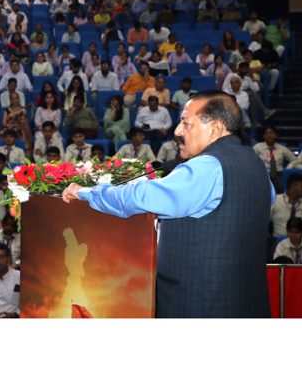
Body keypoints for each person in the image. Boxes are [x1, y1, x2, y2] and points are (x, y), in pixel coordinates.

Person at [63, 92, 274, 317]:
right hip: (247, 302)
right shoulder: (256, 164)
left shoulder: (206, 168)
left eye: (186, 123)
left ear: (214, 128)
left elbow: (139, 197)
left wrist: (85, 192)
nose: (177, 132)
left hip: (198, 304)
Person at [253, 126, 296, 193]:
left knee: (282, 188)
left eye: (271, 133)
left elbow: (295, 160)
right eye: (266, 134)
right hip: (263, 174)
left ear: (276, 135)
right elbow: (251, 160)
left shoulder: (282, 148)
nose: (269, 135)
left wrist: (288, 168)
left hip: (279, 174)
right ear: (264, 136)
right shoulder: (258, 147)